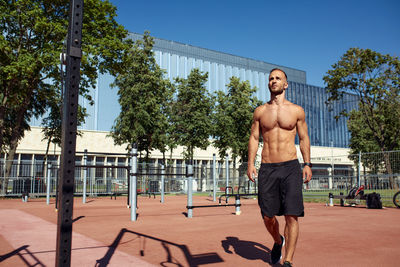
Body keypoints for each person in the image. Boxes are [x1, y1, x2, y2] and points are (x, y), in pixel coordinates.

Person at [247, 68, 312, 267]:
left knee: (291, 215)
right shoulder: (260, 111)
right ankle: (277, 240)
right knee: (267, 216)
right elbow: (254, 138)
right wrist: (250, 163)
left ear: (286, 84)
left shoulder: (296, 111)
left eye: (278, 78)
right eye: (271, 79)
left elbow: (303, 138)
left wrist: (307, 163)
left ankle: (288, 261)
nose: (273, 81)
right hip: (267, 167)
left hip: (291, 167)